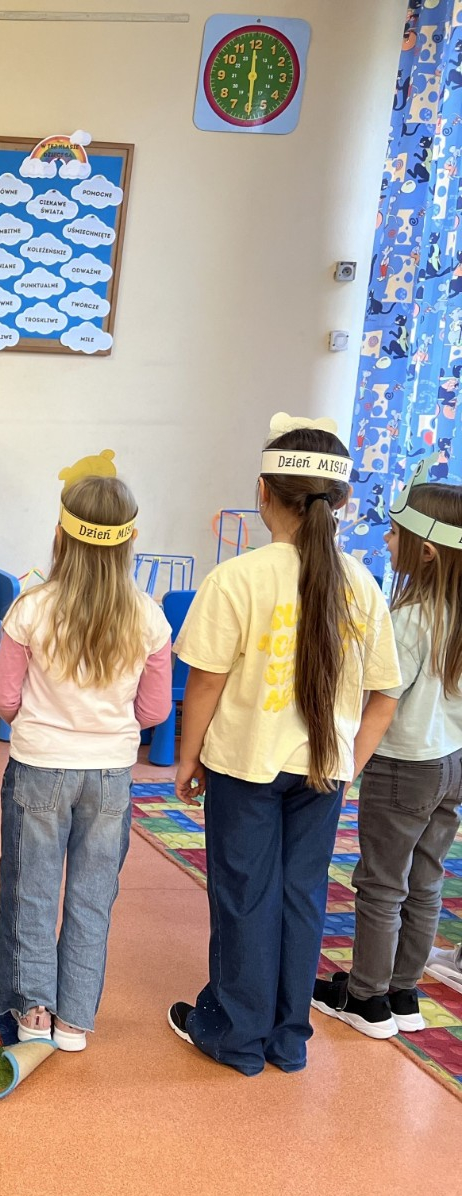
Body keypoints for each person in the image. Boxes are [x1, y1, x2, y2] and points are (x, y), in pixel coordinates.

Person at [168, 414, 400, 1075]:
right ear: (342, 501)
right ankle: (287, 1039)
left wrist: (188, 757)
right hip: (322, 773)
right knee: (302, 897)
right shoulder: (363, 584)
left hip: (245, 766)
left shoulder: (238, 577)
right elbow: (385, 694)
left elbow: (206, 682)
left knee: (244, 896)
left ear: (264, 493)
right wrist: (348, 764)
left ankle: (235, 1037)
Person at [0, 455, 172, 1051]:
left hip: (40, 767)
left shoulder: (30, 608)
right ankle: (74, 1019)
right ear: (130, 541)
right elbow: (154, 712)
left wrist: (41, 722)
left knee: (32, 891)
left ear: (61, 535)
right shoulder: (149, 618)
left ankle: (33, 1011)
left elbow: (4, 697)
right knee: (93, 899)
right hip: (110, 776)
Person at [311, 458, 462, 1037]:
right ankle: (403, 993)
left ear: (427, 551)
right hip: (452, 766)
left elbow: (382, 703)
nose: (386, 541)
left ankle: (367, 999)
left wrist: (345, 766)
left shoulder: (409, 622)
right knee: (426, 880)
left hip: (404, 768)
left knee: (381, 883)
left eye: (395, 534)